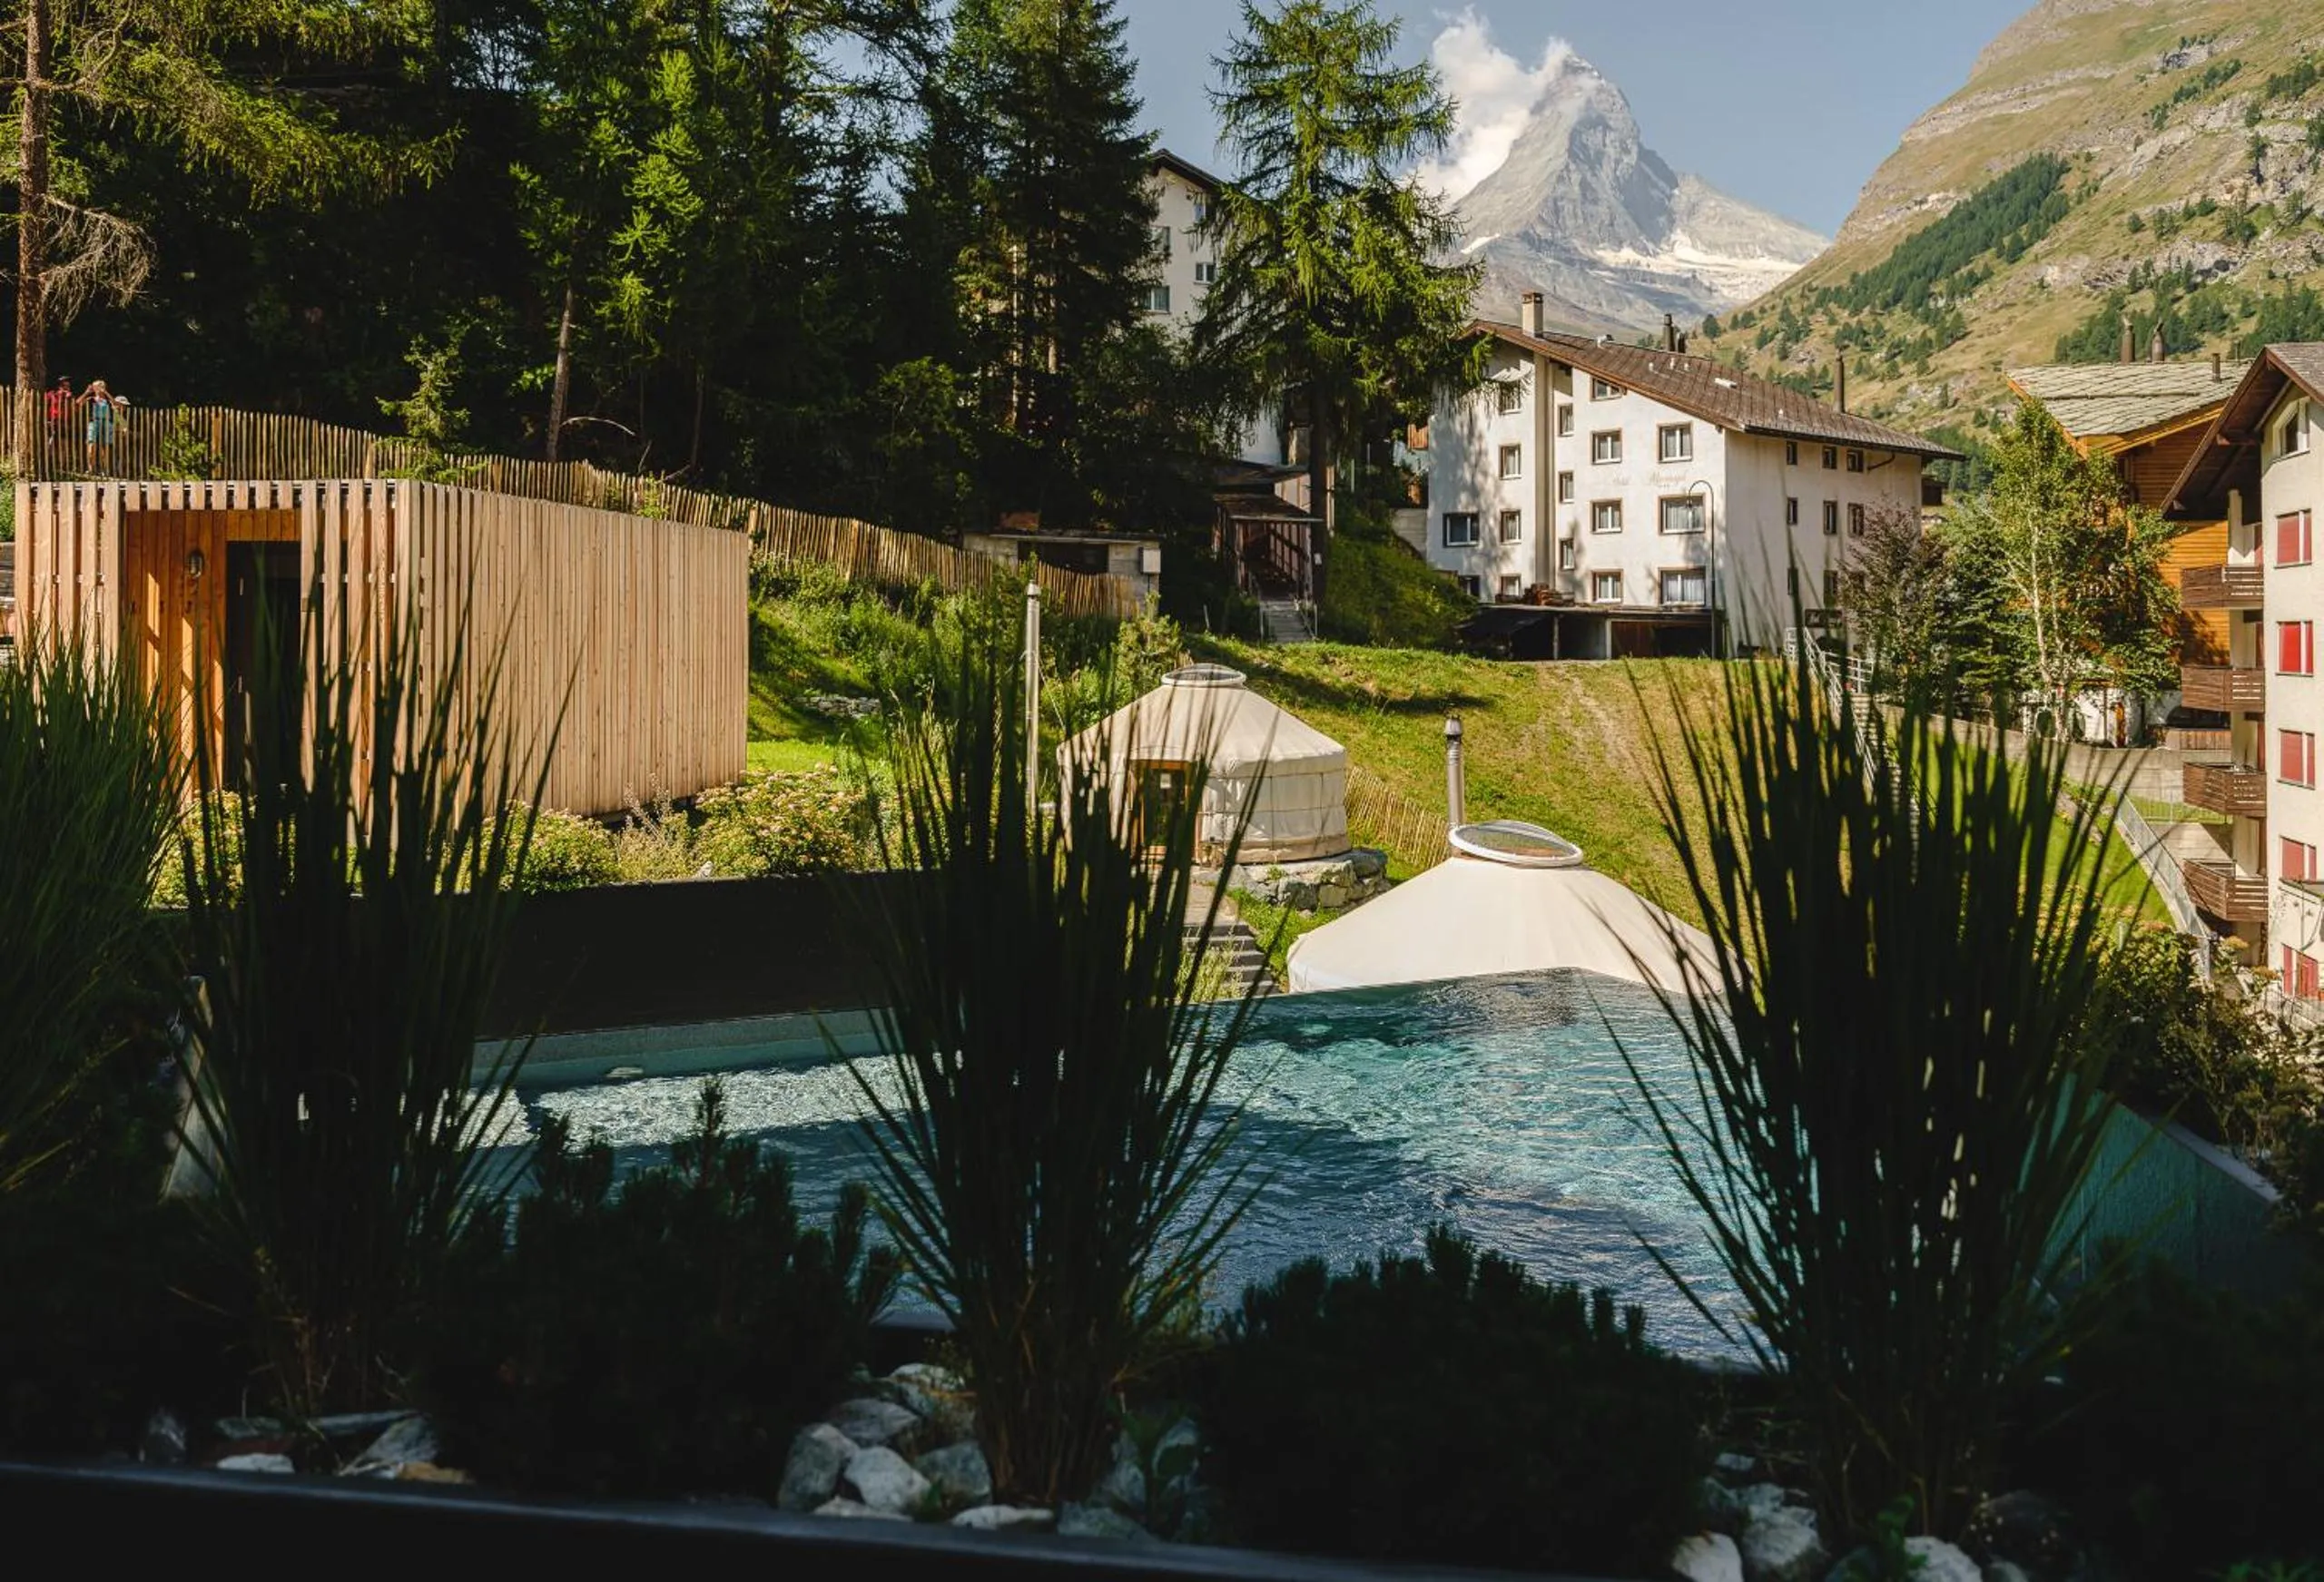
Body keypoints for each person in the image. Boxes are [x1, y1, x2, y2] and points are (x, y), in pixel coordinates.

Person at [82, 378, 117, 472]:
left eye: (102, 387)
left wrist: (106, 393)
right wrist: (86, 393)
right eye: (97, 387)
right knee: (91, 445)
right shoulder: (91, 399)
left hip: (106, 422)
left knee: (105, 447)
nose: (100, 389)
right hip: (94, 421)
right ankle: (90, 468)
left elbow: (116, 404)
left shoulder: (108, 401)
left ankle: (104, 469)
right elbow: (79, 403)